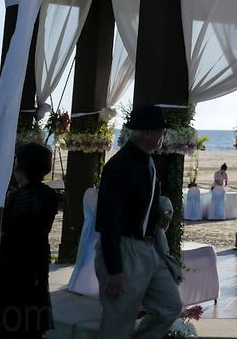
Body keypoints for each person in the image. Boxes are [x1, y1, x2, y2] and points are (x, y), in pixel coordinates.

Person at [95, 104, 182, 339]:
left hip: (148, 247)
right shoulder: (119, 166)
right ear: (146, 132)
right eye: (161, 131)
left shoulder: (148, 161)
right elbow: (108, 219)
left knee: (170, 306)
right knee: (118, 321)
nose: (163, 135)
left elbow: (139, 204)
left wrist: (157, 216)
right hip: (125, 248)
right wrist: (114, 270)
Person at [0, 142, 59, 338]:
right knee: (32, 315)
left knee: (13, 317)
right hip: (38, 258)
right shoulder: (49, 194)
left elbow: (8, 230)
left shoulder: (21, 197)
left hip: (16, 263)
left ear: (22, 167)